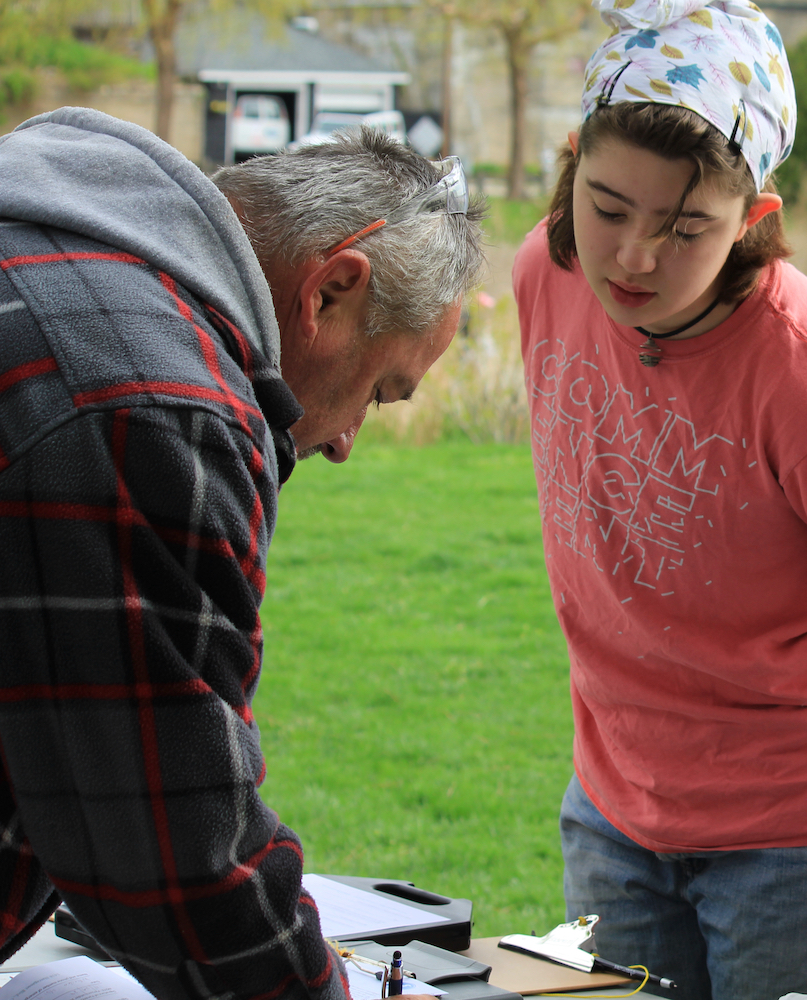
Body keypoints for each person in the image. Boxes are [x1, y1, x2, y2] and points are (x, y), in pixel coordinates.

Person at [510, 3, 807, 998]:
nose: (634, 258)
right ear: (571, 167)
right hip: (614, 809)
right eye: (607, 208)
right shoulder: (546, 274)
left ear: (753, 223)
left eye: (686, 228)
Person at [0, 107, 485, 999]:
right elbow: (173, 856)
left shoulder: (46, 234)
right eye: (382, 390)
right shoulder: (152, 401)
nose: (343, 444)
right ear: (331, 288)